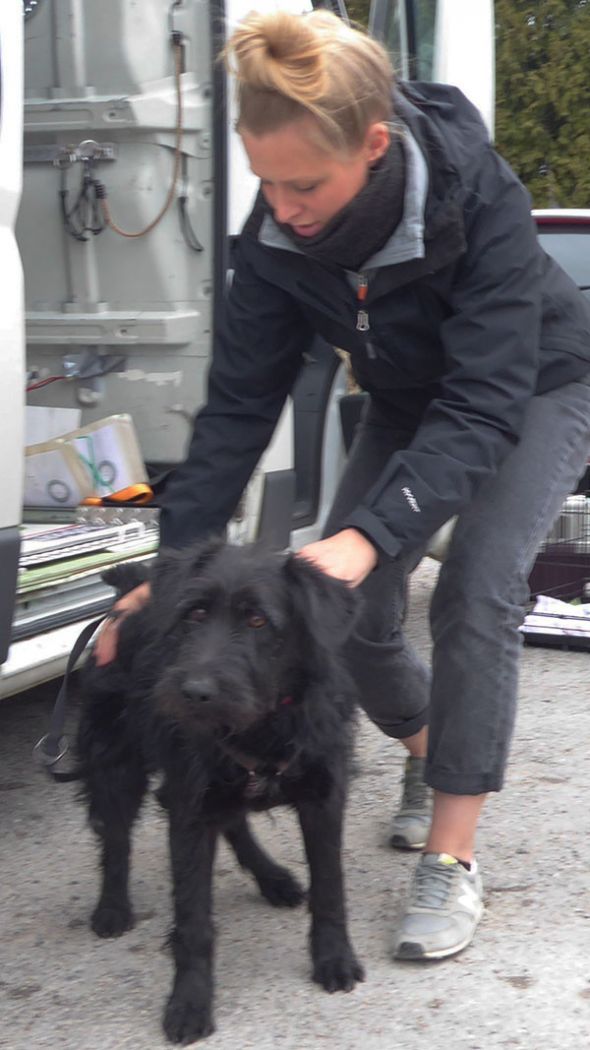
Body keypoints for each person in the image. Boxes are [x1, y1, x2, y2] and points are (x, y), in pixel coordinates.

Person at [95, 10, 590, 960]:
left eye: (305, 184)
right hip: (406, 398)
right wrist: (166, 573)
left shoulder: (476, 192)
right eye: (265, 182)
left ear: (373, 144)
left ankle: (450, 855)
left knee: (477, 588)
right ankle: (427, 748)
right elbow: (238, 410)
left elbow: (485, 403)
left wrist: (369, 534)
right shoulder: (276, 233)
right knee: (345, 616)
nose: (284, 208)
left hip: (533, 388)